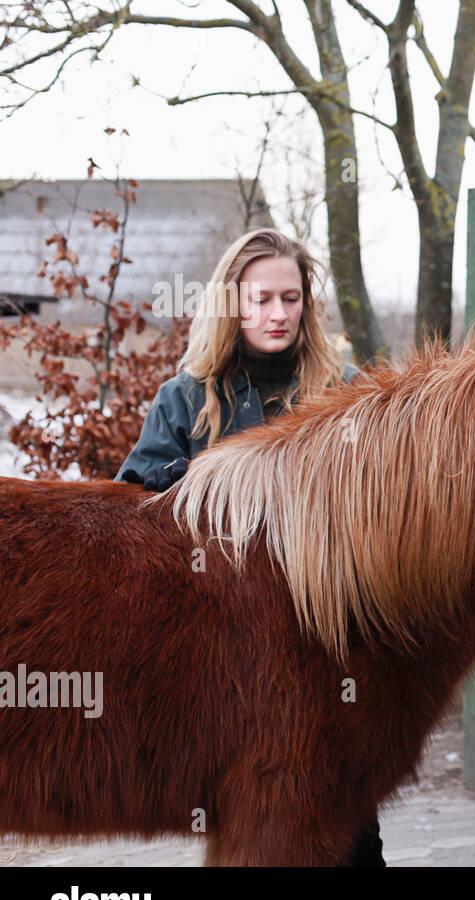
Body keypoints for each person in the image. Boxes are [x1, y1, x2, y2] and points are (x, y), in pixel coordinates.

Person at [115, 227, 385, 866]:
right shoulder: (183, 399)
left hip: (329, 650)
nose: (277, 314)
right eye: (261, 298)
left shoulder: (346, 393)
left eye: (290, 299)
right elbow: (134, 518)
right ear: (231, 303)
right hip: (226, 656)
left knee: (350, 835)